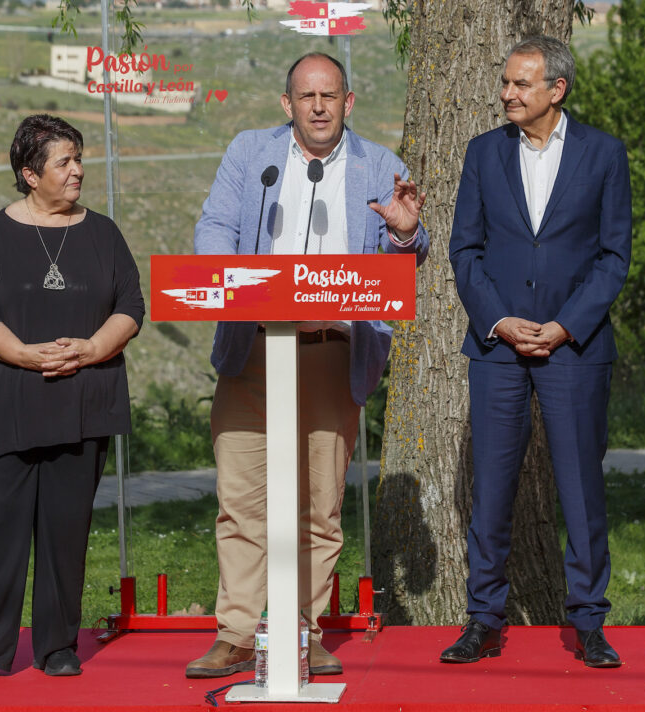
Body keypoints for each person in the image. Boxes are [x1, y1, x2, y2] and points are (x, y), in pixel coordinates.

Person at [184, 52, 429, 679]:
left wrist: (404, 235)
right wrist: (229, 279)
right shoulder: (251, 153)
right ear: (286, 103)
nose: (318, 107)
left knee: (319, 507)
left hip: (330, 352)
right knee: (242, 500)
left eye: (329, 96)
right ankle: (238, 634)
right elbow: (215, 227)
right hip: (252, 347)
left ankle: (303, 632)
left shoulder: (381, 164)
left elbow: (406, 256)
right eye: (306, 96)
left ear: (348, 102)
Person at [443, 36, 632, 668]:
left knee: (581, 489)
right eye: (506, 82)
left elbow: (614, 256)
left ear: (557, 89)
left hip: (575, 349)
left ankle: (589, 623)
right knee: (491, 490)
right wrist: (499, 321)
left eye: (520, 84)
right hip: (497, 348)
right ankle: (482, 620)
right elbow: (465, 250)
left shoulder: (604, 153)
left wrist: (565, 326)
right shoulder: (483, 152)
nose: (507, 93)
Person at [0, 114, 144, 682]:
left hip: (82, 403)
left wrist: (94, 348)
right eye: (64, 162)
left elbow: (131, 304)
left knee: (65, 531)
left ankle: (56, 644)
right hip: (7, 402)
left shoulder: (102, 233)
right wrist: (24, 355)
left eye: (79, 158)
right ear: (30, 174)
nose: (78, 170)